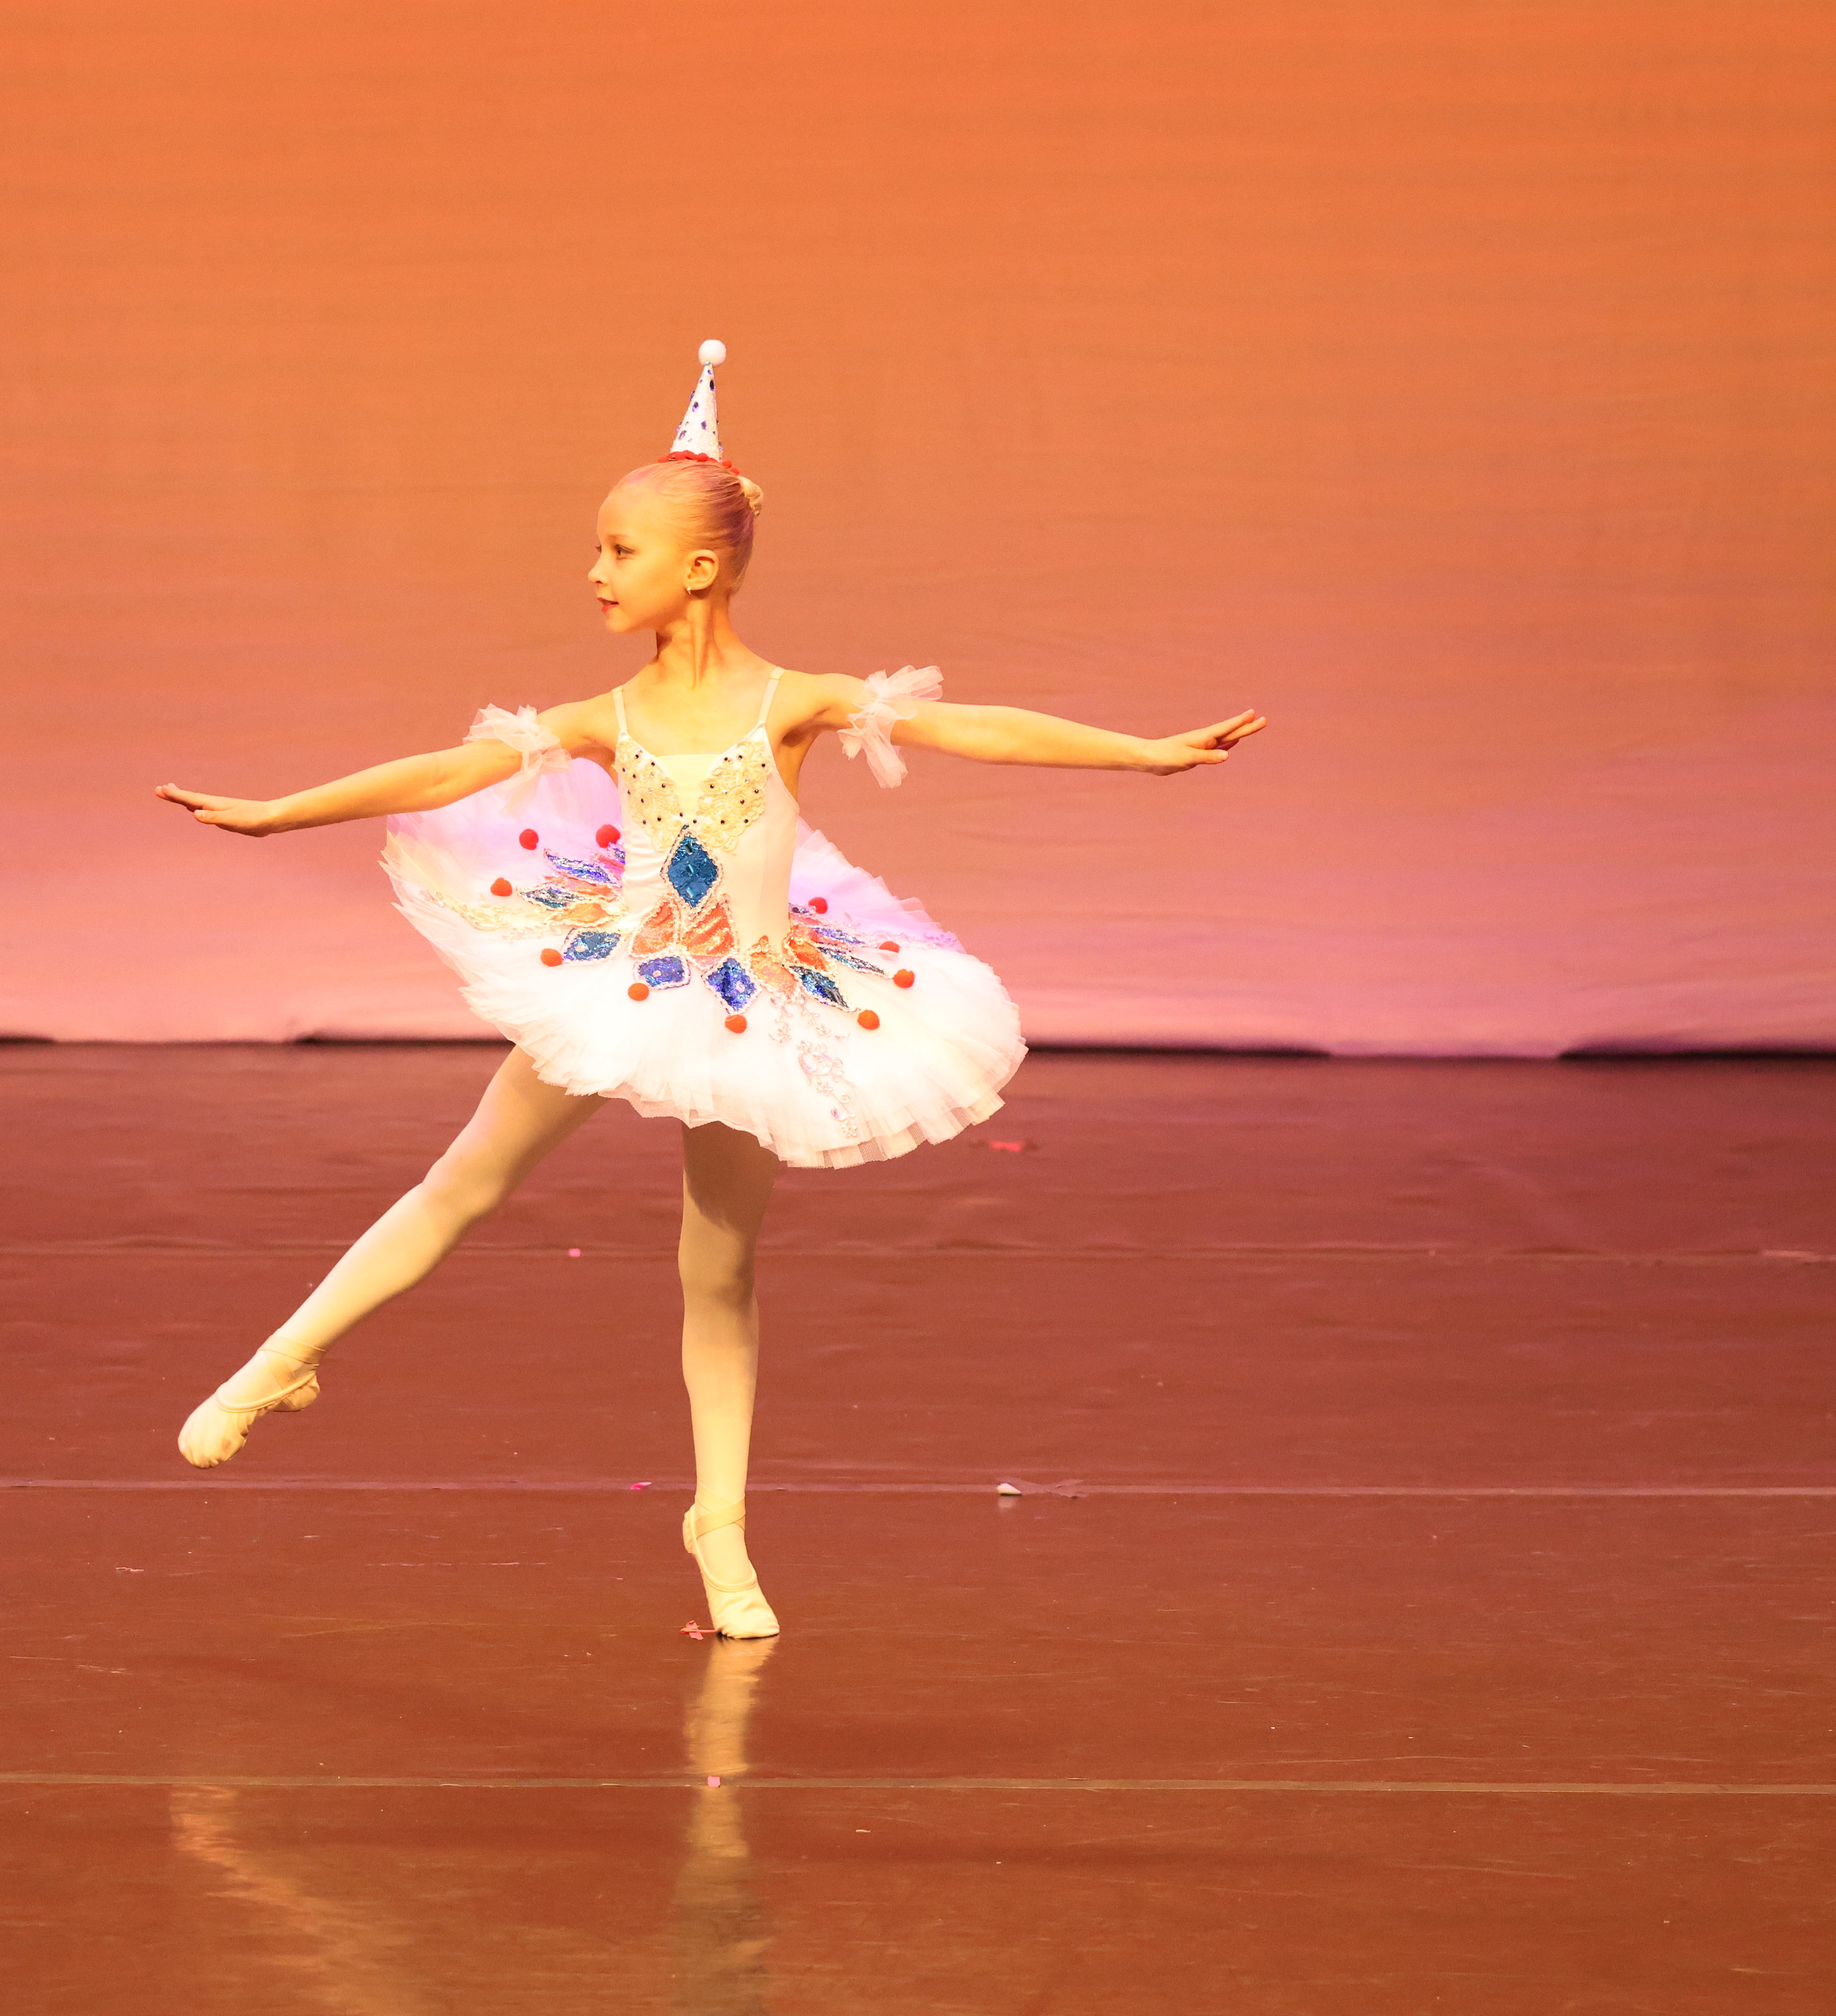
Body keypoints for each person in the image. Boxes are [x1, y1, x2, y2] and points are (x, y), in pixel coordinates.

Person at [156, 341, 1263, 1638]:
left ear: (697, 568)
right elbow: (448, 773)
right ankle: (277, 1362)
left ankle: (719, 1524)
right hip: (627, 977)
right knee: (463, 1179)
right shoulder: (605, 714)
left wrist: (1141, 754)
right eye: (596, 546)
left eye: (616, 549)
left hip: (754, 999)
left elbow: (974, 726)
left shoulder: (794, 700)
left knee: (719, 1265)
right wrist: (281, 812)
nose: (593, 569)